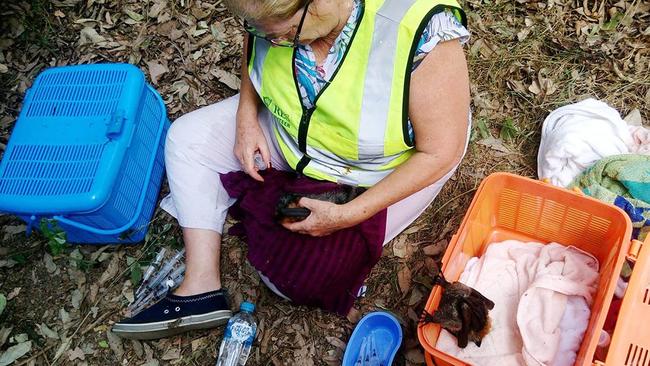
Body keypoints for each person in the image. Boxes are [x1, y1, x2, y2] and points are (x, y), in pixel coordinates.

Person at [112, 0, 470, 340]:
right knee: (186, 140)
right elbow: (257, 40)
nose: (272, 42)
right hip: (294, 138)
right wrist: (246, 116)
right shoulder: (274, 19)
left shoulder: (419, 29)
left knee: (291, 276)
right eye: (259, 31)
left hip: (373, 169)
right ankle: (201, 286)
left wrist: (349, 214)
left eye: (280, 34)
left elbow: (439, 151)